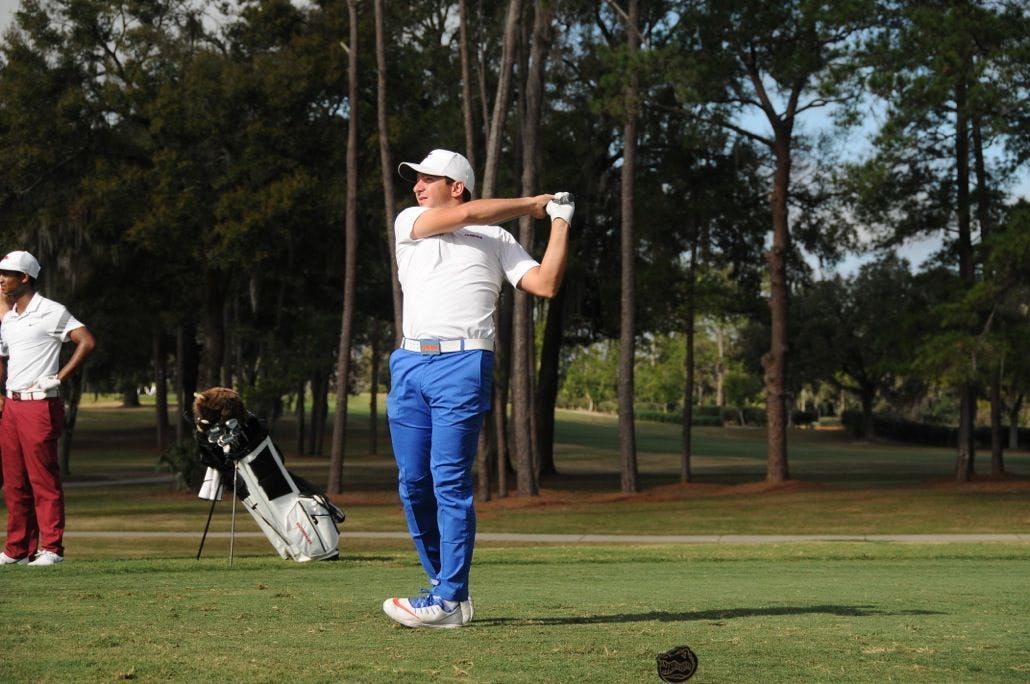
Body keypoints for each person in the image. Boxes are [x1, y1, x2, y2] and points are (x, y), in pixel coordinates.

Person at [382, 149, 574, 628]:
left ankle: (449, 598)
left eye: (429, 179)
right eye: (416, 179)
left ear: (457, 185)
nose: (417, 186)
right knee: (413, 485)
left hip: (464, 362)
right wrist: (532, 203)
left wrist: (559, 222)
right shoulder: (410, 221)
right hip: (409, 362)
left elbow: (545, 283)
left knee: (448, 482)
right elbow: (465, 215)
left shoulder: (496, 238)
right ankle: (444, 589)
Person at [0, 251, 95, 566]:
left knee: (43, 480)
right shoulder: (10, 317)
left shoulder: (51, 311)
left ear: (24, 277)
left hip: (39, 404)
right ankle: (18, 549)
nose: (1, 279)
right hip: (12, 407)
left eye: (7, 273)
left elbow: (86, 341)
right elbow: (4, 359)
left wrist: (58, 377)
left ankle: (51, 548)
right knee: (14, 482)